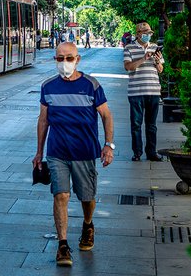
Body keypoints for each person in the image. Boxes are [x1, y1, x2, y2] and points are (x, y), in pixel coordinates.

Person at [33, 42, 115, 267]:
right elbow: (43, 120)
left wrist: (108, 145)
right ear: (55, 60)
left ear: (78, 59)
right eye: (60, 58)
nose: (64, 63)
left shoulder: (91, 85)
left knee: (86, 197)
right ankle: (62, 245)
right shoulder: (48, 86)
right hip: (57, 152)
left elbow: (106, 115)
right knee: (61, 195)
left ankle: (88, 224)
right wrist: (39, 152)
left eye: (69, 58)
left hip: (84, 152)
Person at [123, 21, 164, 162]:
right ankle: (137, 152)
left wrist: (157, 61)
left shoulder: (154, 47)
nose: (148, 35)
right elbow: (128, 67)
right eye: (145, 33)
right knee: (136, 124)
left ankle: (152, 152)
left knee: (151, 125)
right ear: (138, 34)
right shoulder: (129, 48)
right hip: (136, 92)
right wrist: (143, 58)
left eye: (150, 33)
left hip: (153, 91)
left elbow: (160, 70)